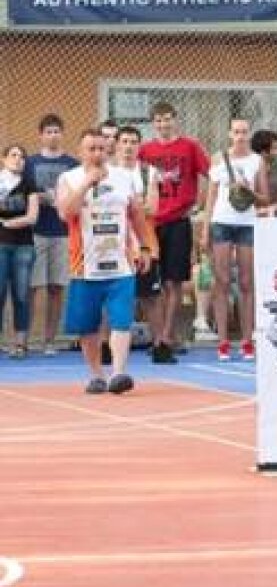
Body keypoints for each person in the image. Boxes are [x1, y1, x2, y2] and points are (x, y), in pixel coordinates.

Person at [57, 129, 155, 394]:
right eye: (91, 149)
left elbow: (137, 215)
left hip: (120, 264)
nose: (97, 153)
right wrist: (86, 184)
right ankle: (96, 374)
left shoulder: (124, 177)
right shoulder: (69, 178)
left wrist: (145, 247)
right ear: (81, 151)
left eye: (101, 148)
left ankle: (119, 373)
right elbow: (66, 213)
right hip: (84, 267)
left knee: (122, 320)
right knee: (87, 326)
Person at [138, 101, 210, 364]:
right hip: (150, 224)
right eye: (158, 120)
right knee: (149, 286)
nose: (163, 124)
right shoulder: (145, 151)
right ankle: (158, 336)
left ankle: (167, 337)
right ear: (153, 123)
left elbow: (212, 175)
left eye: (167, 119)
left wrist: (201, 204)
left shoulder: (190, 146)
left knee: (173, 282)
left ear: (175, 120)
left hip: (178, 221)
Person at [200, 119, 269, 362]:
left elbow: (264, 198)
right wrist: (205, 229)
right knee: (222, 281)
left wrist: (249, 190)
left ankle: (247, 340)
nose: (240, 136)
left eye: (244, 132)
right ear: (230, 134)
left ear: (249, 135)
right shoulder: (218, 159)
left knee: (247, 282)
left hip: (246, 223)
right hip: (222, 222)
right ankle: (223, 341)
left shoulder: (257, 161)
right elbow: (210, 197)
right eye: (236, 132)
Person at [27, 113, 78, 355]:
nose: (53, 135)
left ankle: (49, 340)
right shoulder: (30, 163)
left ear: (62, 134)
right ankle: (28, 339)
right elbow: (23, 194)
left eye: (57, 131)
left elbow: (76, 196)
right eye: (48, 131)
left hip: (63, 233)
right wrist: (39, 197)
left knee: (56, 287)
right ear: (41, 135)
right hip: (36, 232)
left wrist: (59, 199)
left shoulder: (72, 164)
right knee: (34, 287)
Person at [112, 127, 163, 349]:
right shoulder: (108, 172)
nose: (129, 146)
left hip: (144, 243)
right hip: (116, 244)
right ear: (116, 145)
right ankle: (108, 345)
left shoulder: (148, 172)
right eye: (124, 141)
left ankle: (160, 345)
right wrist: (136, 205)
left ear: (139, 146)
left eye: (133, 142)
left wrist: (126, 206)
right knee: (114, 297)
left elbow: (153, 208)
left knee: (150, 297)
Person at [0, 145, 40, 358]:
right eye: (13, 155)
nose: (18, 159)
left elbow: (32, 217)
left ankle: (20, 344)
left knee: (21, 295)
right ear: (4, 159)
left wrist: (7, 223)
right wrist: (17, 221)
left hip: (24, 246)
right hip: (1, 245)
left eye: (22, 156)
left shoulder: (29, 184)